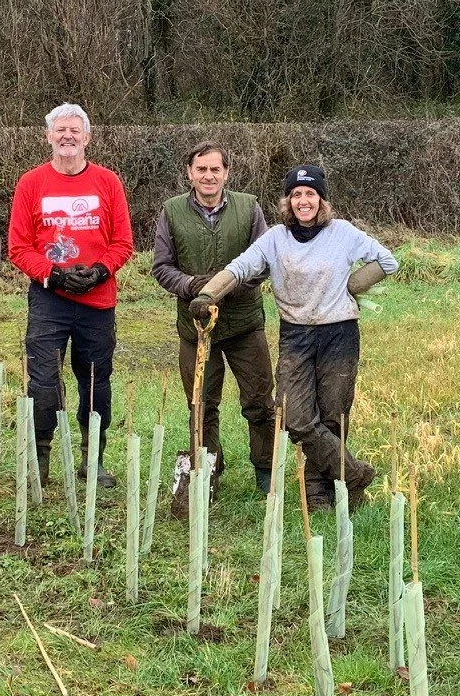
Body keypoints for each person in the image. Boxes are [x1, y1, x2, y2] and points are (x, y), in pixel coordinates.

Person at [190, 165, 395, 511]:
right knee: (295, 416)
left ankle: (319, 494)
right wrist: (208, 295)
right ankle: (353, 473)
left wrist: (353, 285)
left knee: (332, 414)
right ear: (288, 202)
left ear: (322, 200)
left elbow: (387, 261)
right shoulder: (275, 238)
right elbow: (241, 268)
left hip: (339, 332)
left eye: (310, 193)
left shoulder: (342, 233)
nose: (303, 200)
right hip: (295, 335)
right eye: (296, 194)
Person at [7, 103, 136, 485]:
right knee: (43, 379)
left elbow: (123, 242)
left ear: (87, 138)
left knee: (96, 379)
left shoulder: (108, 182)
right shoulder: (31, 183)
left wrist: (99, 270)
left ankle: (91, 458)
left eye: (74, 131)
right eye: (60, 130)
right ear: (48, 136)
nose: (67, 137)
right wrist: (55, 276)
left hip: (97, 301)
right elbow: (18, 247)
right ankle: (40, 458)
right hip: (50, 299)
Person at [150, 141, 277, 496]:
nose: (208, 176)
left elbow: (263, 261)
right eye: (201, 169)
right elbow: (161, 267)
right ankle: (207, 471)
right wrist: (192, 286)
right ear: (190, 173)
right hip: (195, 328)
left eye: (215, 169)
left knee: (259, 402)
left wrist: (224, 287)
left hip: (243, 324)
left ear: (226, 173)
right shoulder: (172, 211)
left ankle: (266, 469)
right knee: (201, 404)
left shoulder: (249, 208)